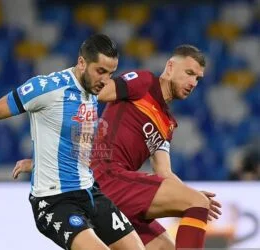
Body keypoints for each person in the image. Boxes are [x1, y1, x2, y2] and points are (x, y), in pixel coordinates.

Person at [0, 34, 145, 250]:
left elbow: (73, 144)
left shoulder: (92, 91)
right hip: (55, 201)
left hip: (89, 192)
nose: (106, 80)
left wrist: (37, 163)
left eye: (111, 73)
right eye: (101, 71)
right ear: (82, 63)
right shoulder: (47, 88)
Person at [13, 45, 222, 250]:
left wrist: (189, 194)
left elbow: (164, 172)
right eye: (189, 73)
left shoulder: (168, 123)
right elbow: (96, 94)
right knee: (195, 202)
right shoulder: (144, 82)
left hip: (122, 191)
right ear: (169, 67)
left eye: (197, 78)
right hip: (107, 176)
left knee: (166, 246)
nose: (193, 82)